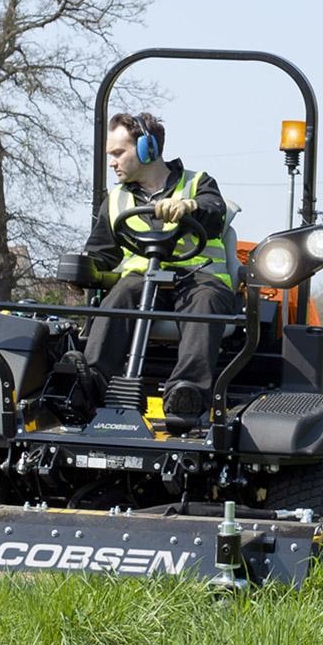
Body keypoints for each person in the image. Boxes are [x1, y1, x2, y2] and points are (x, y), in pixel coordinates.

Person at [78, 111, 235, 417]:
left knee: (205, 300)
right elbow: (101, 253)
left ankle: (186, 393)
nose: (112, 162)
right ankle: (88, 383)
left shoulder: (197, 183)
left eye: (118, 153)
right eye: (110, 155)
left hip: (198, 277)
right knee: (121, 295)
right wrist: (81, 268)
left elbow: (214, 214)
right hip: (142, 280)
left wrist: (190, 206)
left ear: (147, 149)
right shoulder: (115, 200)